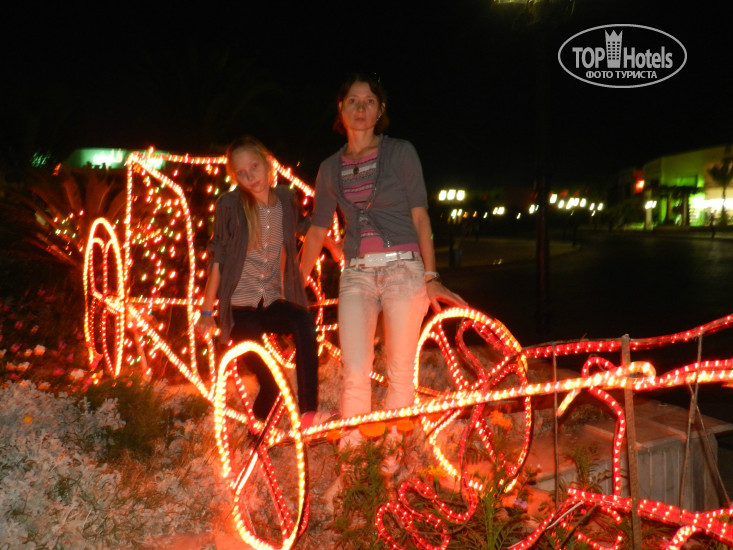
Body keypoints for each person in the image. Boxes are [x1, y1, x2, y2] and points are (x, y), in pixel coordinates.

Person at [300, 73, 466, 470]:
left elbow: (421, 218)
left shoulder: (401, 153)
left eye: (369, 101)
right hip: (357, 273)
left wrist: (431, 276)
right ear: (340, 109)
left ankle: (390, 465)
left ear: (380, 110)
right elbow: (317, 230)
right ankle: (355, 470)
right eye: (352, 101)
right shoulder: (329, 168)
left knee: (399, 373)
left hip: (404, 271)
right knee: (354, 372)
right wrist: (294, 284)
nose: (360, 108)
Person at [196, 136, 333, 429]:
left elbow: (304, 226)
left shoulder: (284, 198)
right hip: (240, 309)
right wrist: (206, 312)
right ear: (235, 177)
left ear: (267, 163)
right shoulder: (229, 205)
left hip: (270, 303)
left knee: (303, 321)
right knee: (272, 383)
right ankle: (255, 440)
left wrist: (334, 244)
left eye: (254, 167)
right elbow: (218, 259)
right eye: (241, 173)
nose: (250, 177)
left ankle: (308, 413)